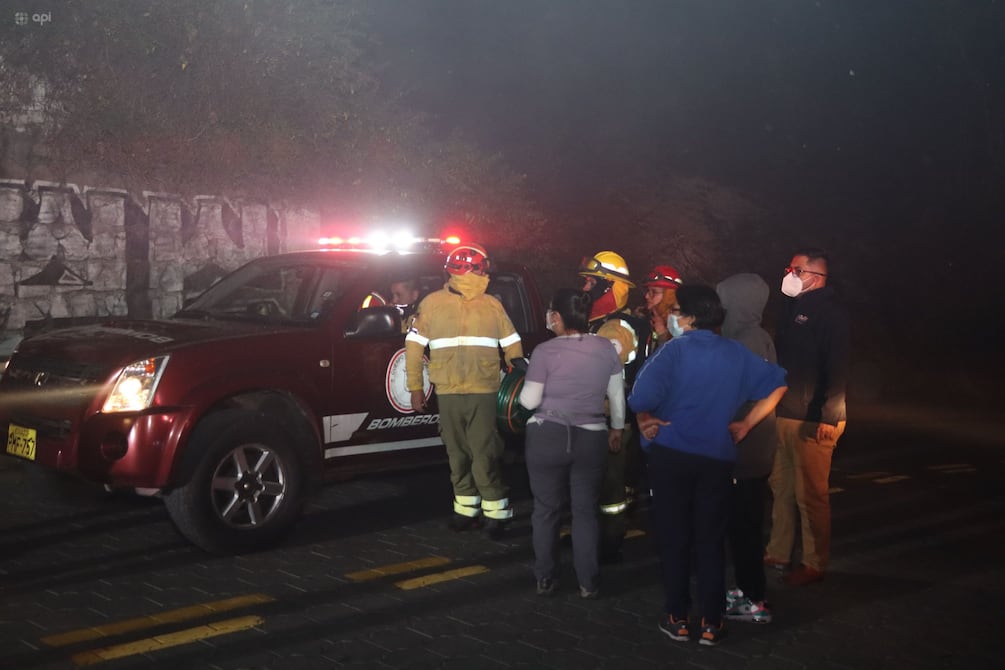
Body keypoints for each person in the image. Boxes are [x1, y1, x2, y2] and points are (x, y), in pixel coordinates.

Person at [630, 284, 787, 647]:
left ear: (688, 315)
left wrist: (645, 420)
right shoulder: (735, 353)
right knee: (710, 540)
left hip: (671, 457)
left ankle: (678, 618)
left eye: (677, 308)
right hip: (716, 459)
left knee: (674, 539)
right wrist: (747, 424)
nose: (673, 314)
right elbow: (778, 384)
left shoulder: (671, 352)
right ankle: (713, 622)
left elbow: (640, 398)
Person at [405, 243, 524, 539]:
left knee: (483, 454)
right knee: (458, 454)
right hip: (450, 391)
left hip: (482, 390)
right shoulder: (432, 304)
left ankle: (496, 513)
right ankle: (467, 510)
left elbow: (513, 346)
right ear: (477, 268)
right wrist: (417, 387)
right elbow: (413, 347)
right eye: (479, 267)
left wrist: (517, 380)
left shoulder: (491, 305)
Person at [518, 289, 625, 599]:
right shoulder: (605, 347)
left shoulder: (544, 352)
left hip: (547, 436)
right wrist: (617, 428)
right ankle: (588, 582)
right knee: (585, 511)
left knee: (546, 510)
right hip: (591, 436)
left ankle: (546, 577)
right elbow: (617, 395)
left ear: (559, 317)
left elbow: (529, 401)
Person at [765, 248, 850, 586]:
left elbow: (838, 367)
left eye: (795, 269)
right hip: (785, 413)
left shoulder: (831, 314)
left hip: (814, 419)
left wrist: (829, 416)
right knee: (781, 487)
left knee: (811, 494)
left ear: (815, 277)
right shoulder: (792, 308)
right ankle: (778, 551)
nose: (789, 274)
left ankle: (814, 562)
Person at [577, 251, 651, 562]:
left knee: (610, 489)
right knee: (598, 484)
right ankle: (599, 535)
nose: (585, 289)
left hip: (611, 421)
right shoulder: (603, 324)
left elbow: (598, 376)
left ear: (608, 287)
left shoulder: (616, 329)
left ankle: (610, 541)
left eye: (591, 282)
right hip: (603, 417)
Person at [716, 273, 778, 624]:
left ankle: (754, 599)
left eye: (725, 302)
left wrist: (741, 424)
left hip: (745, 449)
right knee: (745, 526)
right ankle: (747, 588)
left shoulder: (745, 342)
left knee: (745, 527)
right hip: (754, 447)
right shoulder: (757, 336)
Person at [637, 265, 683, 352]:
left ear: (669, 296)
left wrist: (662, 335)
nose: (647, 296)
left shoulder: (683, 326)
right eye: (648, 291)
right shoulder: (646, 318)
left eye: (654, 292)